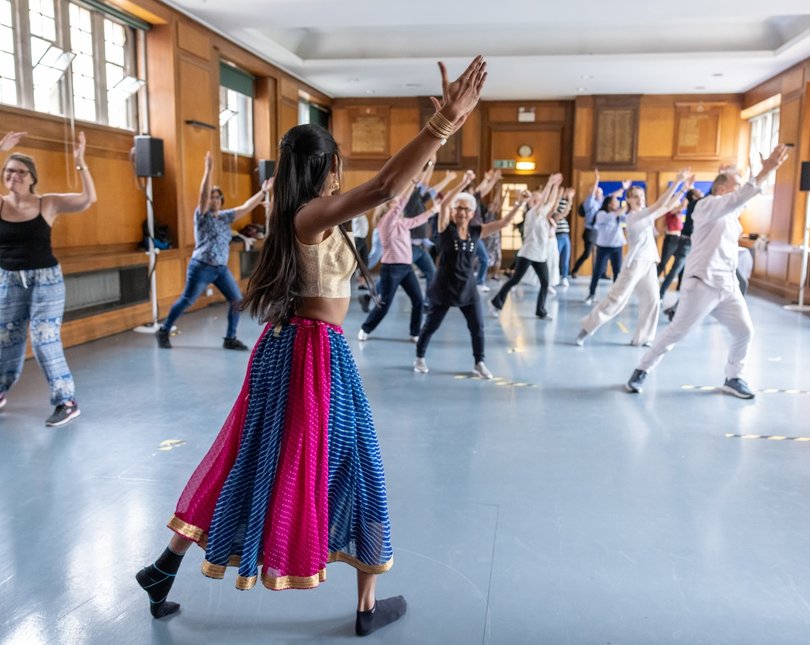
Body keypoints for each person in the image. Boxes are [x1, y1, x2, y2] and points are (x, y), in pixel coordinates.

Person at [136, 56, 487, 636]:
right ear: (327, 167)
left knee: (247, 460)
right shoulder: (310, 216)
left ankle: (162, 569)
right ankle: (367, 608)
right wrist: (443, 125)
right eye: (337, 164)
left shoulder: (302, 215)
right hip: (313, 356)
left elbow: (386, 191)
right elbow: (384, 186)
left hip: (294, 349)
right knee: (358, 464)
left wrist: (436, 146)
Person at [626, 144, 789, 398]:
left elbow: (744, 198)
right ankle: (641, 370)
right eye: (736, 185)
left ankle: (733, 377)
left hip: (727, 286)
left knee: (745, 331)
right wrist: (764, 171)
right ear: (721, 189)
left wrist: (763, 172)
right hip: (702, 284)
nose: (740, 189)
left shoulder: (731, 213)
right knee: (676, 333)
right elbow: (740, 196)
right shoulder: (706, 206)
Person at [0, 131, 96, 427]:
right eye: (8, 171)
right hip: (8, 280)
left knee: (44, 340)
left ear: (32, 178)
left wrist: (80, 161)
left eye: (20, 171)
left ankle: (66, 401)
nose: (13, 175)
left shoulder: (47, 203)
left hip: (46, 281)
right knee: (6, 339)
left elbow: (88, 199)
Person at [156, 151, 272, 350]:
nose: (214, 200)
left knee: (237, 300)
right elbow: (202, 195)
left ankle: (230, 338)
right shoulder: (201, 216)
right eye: (212, 197)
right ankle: (164, 330)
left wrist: (263, 191)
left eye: (218, 197)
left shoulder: (225, 217)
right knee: (187, 300)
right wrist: (208, 170)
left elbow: (246, 207)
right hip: (201, 267)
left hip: (220, 269)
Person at [414, 185, 529, 378]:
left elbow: (504, 223)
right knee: (431, 326)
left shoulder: (476, 231)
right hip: (444, 287)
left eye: (466, 209)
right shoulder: (445, 229)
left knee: (477, 327)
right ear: (452, 211)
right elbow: (444, 205)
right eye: (458, 208)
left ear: (472, 213)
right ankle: (419, 357)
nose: (462, 212)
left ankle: (479, 363)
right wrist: (463, 182)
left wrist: (520, 204)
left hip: (467, 287)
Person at [576, 171, 690, 347]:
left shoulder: (646, 214)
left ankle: (643, 338)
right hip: (635, 263)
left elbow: (667, 207)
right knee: (617, 299)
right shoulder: (633, 217)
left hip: (649, 263)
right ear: (628, 200)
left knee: (652, 300)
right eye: (635, 196)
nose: (639, 199)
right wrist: (677, 182)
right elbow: (661, 204)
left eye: (641, 196)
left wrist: (683, 189)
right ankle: (586, 329)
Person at [358, 186, 440, 342]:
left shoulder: (402, 223)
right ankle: (365, 328)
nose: (397, 204)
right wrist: (411, 184)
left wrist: (433, 210)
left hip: (406, 268)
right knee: (385, 304)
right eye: (393, 203)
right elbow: (401, 205)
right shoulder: (385, 223)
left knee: (418, 300)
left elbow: (417, 220)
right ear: (387, 207)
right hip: (391, 269)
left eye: (397, 202)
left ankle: (415, 333)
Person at [490, 175, 561, 320]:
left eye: (539, 199)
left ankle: (540, 311)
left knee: (545, 283)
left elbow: (551, 201)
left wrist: (556, 185)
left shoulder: (543, 216)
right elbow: (544, 201)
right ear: (532, 202)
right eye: (536, 199)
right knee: (514, 280)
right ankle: (496, 303)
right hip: (527, 254)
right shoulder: (531, 213)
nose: (539, 201)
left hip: (540, 256)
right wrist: (549, 183)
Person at [584, 181, 631, 305]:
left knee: (617, 272)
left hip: (617, 247)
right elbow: (612, 216)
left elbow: (627, 218)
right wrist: (624, 207)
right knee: (598, 271)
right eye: (615, 202)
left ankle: (615, 295)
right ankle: (591, 294)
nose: (617, 204)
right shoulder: (601, 214)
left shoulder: (618, 215)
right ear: (609, 204)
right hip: (603, 247)